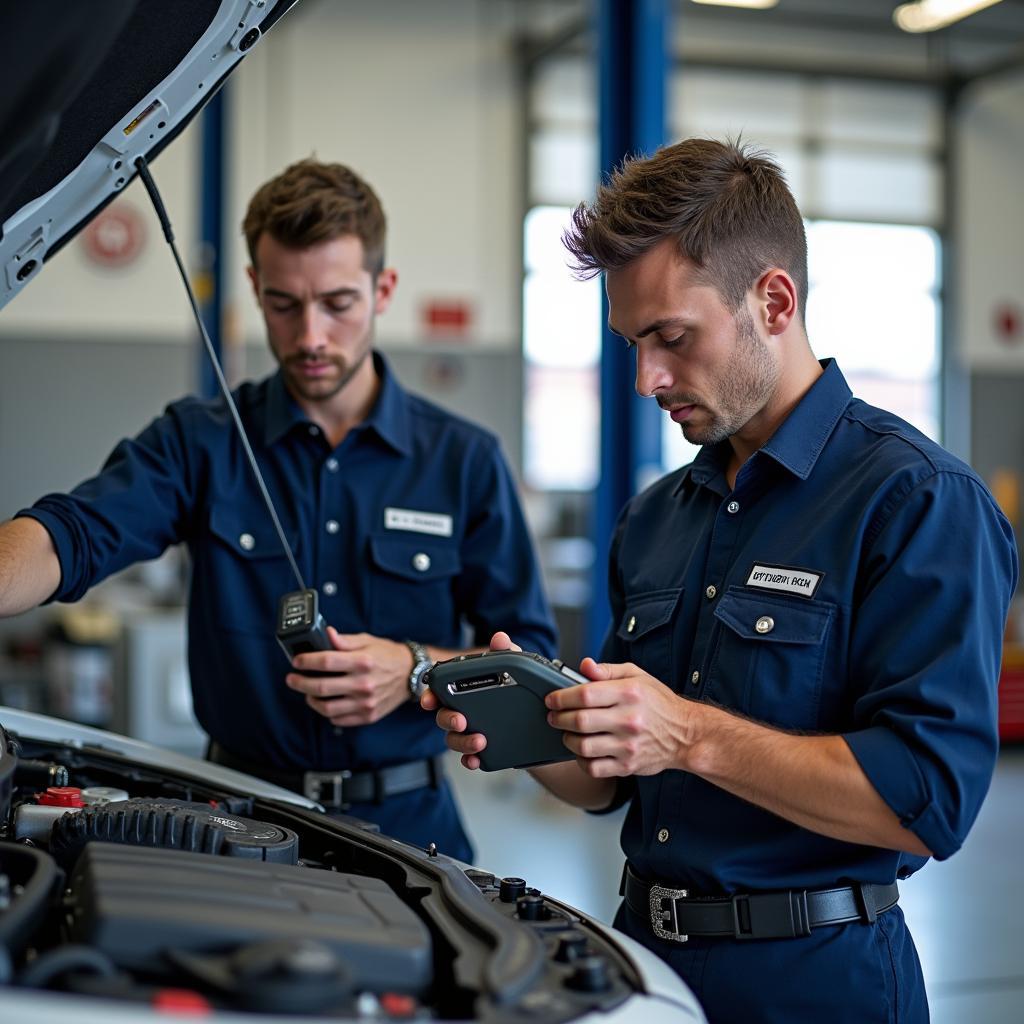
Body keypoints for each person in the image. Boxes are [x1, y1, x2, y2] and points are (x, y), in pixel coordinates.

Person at [426, 138, 1018, 1021]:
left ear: (772, 300)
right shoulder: (658, 516)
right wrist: (530, 730)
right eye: (632, 343)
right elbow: (612, 784)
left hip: (817, 980)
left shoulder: (916, 501)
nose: (646, 379)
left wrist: (688, 735)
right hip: (649, 968)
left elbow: (926, 801)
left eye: (671, 337)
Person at [0, 157, 557, 863]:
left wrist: (415, 667)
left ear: (382, 290)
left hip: (415, 833)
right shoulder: (200, 441)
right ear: (255, 289)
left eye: (338, 303)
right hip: (232, 821)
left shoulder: (464, 460)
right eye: (285, 305)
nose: (312, 336)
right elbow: (68, 537)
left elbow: (531, 661)